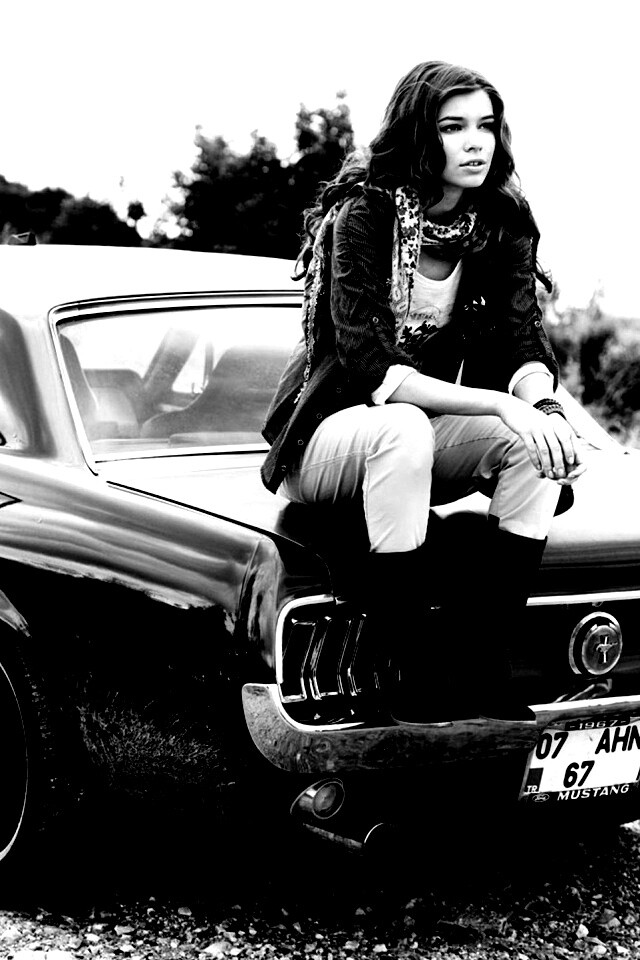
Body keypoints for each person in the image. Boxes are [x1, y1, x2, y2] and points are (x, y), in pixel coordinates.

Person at [260, 61, 586, 725]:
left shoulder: (500, 221)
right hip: (327, 439)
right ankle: (403, 669)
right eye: (452, 127)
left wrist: (545, 411)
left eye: (486, 126)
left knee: (529, 446)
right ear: (418, 134)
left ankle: (481, 666)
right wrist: (501, 403)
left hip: (411, 447)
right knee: (406, 423)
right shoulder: (364, 216)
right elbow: (373, 369)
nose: (475, 142)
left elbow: (520, 342)